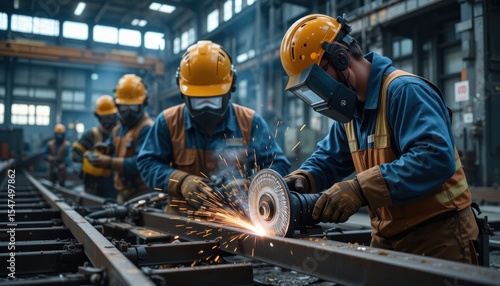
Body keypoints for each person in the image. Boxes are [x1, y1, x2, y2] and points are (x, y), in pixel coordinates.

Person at [280, 14, 478, 264]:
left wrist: (359, 188)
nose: (319, 95)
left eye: (318, 83)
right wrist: (301, 180)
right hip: (387, 238)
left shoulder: (404, 91)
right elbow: (328, 159)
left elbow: (434, 157)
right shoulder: (351, 113)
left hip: (439, 237)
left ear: (341, 57)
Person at [137, 40, 290, 215]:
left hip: (237, 223)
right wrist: (181, 182)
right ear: (183, 92)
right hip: (180, 224)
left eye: (214, 100)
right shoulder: (168, 121)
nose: (206, 109)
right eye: (198, 101)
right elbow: (147, 164)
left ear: (230, 88)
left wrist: (251, 184)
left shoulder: (250, 122)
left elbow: (278, 165)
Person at [86, 74, 154, 204]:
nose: (128, 112)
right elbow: (111, 146)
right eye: (123, 107)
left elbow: (140, 164)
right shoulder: (118, 129)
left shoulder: (147, 128)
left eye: (133, 107)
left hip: (144, 195)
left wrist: (109, 162)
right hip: (123, 193)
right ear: (117, 106)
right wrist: (105, 149)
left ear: (143, 104)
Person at [71, 94, 118, 199]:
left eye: (110, 116)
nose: (108, 120)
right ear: (97, 116)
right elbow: (75, 153)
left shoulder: (121, 133)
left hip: (116, 186)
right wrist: (87, 164)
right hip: (93, 187)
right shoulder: (91, 135)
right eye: (104, 117)